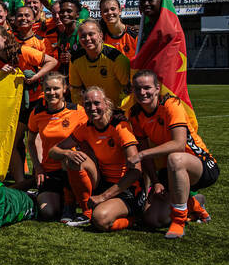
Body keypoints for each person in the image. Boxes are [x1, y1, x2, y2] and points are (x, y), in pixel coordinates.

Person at [128, 70, 217, 239]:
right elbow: (145, 152)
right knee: (152, 219)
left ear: (157, 88)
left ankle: (179, 221)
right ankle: (194, 203)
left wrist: (141, 154)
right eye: (137, 88)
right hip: (170, 171)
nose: (142, 92)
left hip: (200, 165)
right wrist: (155, 182)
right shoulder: (135, 114)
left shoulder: (171, 104)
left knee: (175, 158)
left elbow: (179, 144)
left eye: (147, 88)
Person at [49, 87, 142, 230]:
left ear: (106, 104)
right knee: (73, 159)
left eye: (97, 103)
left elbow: (136, 171)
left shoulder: (120, 126)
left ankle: (134, 219)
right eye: (87, 104)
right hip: (102, 182)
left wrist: (104, 197)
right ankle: (86, 211)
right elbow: (53, 151)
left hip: (125, 188)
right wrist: (68, 153)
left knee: (100, 220)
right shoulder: (86, 127)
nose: (92, 108)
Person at [0, 25, 58, 184]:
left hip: (37, 99)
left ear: (4, 37)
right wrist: (0, 74)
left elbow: (52, 61)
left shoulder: (23, 51)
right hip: (15, 105)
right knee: (13, 141)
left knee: (37, 138)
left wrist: (36, 76)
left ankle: (41, 178)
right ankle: (21, 182)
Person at [26, 72, 86, 221]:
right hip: (50, 170)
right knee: (49, 213)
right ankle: (40, 197)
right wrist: (38, 166)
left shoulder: (77, 111)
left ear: (65, 89)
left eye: (56, 88)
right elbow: (30, 142)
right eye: (48, 89)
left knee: (67, 155)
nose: (51, 93)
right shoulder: (37, 113)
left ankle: (69, 204)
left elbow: (88, 139)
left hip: (75, 167)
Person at [69, 20, 130, 106]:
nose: (87, 38)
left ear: (100, 35)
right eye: (83, 36)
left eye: (91, 34)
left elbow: (129, 88)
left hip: (117, 110)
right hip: (93, 110)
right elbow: (76, 90)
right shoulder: (75, 60)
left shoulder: (116, 57)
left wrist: (123, 109)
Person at [56, 0, 84, 77]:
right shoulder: (61, 35)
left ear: (77, 14)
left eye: (69, 11)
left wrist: (73, 58)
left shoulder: (83, 33)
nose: (65, 14)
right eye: (62, 11)